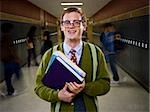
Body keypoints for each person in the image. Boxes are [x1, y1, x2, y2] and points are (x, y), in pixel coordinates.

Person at [34, 7, 110, 112]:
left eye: (76, 22)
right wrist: (58, 95)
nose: (71, 26)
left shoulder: (96, 53)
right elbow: (39, 87)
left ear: (84, 26)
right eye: (67, 22)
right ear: (61, 27)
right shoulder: (50, 54)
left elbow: (105, 84)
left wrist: (85, 87)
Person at [0, 23, 21, 96]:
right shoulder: (8, 37)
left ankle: (10, 89)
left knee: (7, 76)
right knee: (8, 76)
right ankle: (10, 91)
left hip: (5, 59)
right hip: (9, 59)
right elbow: (11, 49)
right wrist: (16, 58)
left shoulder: (2, 37)